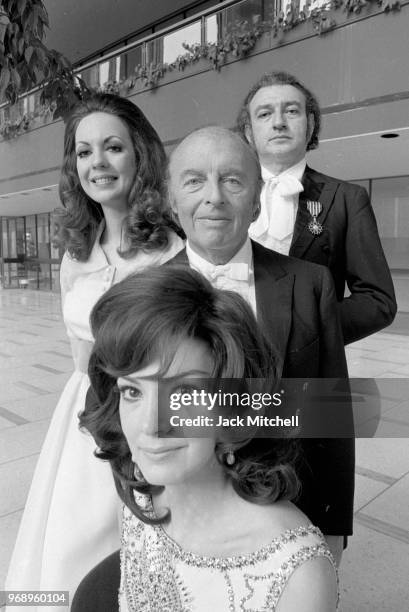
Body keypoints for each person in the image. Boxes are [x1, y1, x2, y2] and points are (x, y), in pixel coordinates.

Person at [74, 266, 339, 611]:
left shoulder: (296, 573)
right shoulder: (147, 499)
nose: (152, 426)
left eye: (185, 391)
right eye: (132, 392)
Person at [5, 93, 184, 603]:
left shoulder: (174, 250)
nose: (97, 163)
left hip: (152, 416)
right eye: (84, 153)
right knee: (73, 543)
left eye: (112, 147)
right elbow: (76, 352)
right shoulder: (74, 252)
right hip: (82, 418)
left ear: (140, 155)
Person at [158, 126, 353, 565]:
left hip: (288, 510)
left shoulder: (311, 284)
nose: (214, 197)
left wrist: (335, 522)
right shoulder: (142, 293)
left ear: (256, 198)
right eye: (194, 181)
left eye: (232, 180)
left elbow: (332, 418)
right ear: (172, 201)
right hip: (179, 518)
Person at [236, 70, 397, 346]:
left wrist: (308, 332)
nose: (278, 123)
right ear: (249, 132)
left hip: (309, 372)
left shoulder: (348, 198)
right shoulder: (226, 195)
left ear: (310, 124)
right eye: (264, 114)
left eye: (291, 111)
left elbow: (377, 301)